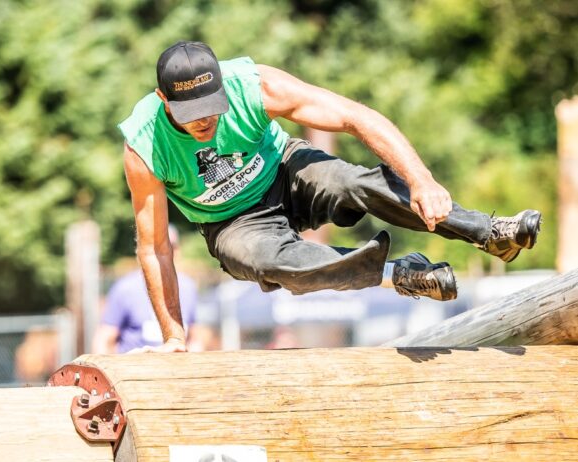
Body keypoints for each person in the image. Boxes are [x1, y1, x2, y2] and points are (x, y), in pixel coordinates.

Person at [118, 40, 541, 353]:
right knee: (277, 265)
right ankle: (401, 274)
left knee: (353, 182)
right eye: (192, 115)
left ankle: (490, 232)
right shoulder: (145, 146)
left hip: (284, 168)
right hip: (231, 222)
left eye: (212, 107)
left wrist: (421, 179)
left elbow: (355, 117)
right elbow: (155, 248)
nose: (205, 121)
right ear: (163, 100)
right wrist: (174, 335)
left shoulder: (256, 86)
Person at [92, 225, 199, 353]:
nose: (164, 253)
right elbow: (104, 340)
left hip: (176, 369)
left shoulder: (188, 287)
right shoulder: (125, 288)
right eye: (156, 247)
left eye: (171, 246)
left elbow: (195, 339)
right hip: (134, 369)